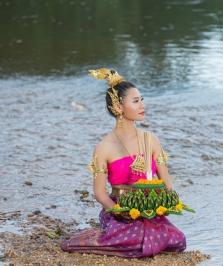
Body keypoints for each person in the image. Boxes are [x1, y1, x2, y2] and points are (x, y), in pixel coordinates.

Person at [60, 68, 186, 257]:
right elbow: (100, 193)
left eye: (142, 99)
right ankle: (98, 235)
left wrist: (166, 202)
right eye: (136, 101)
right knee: (133, 241)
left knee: (178, 241)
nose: (142, 105)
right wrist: (119, 211)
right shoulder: (104, 148)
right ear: (118, 107)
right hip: (122, 209)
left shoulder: (151, 139)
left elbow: (167, 182)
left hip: (151, 209)